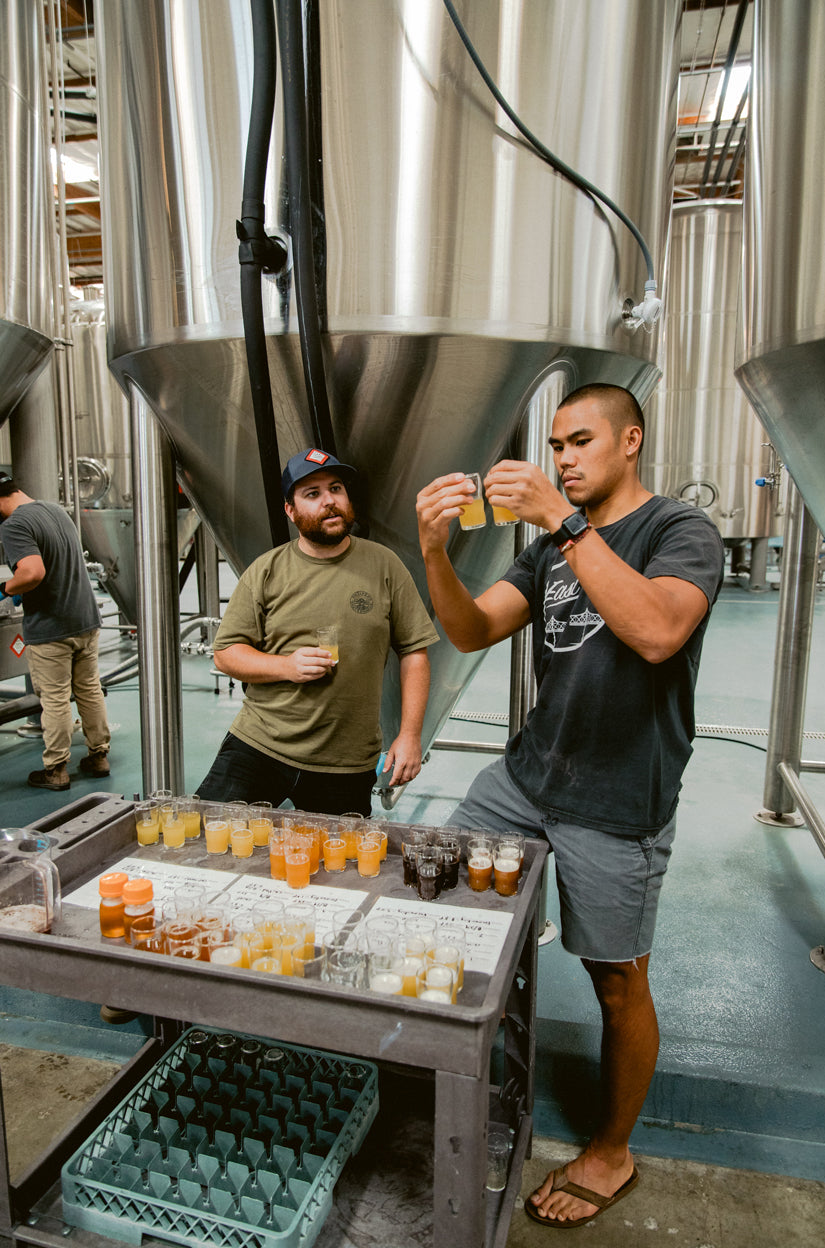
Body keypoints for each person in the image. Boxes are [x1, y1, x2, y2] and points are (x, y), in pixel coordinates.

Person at [416, 383, 724, 1229]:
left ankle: (612, 1150)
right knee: (446, 907)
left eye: (580, 441)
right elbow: (475, 630)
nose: (564, 460)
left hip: (619, 797)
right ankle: (483, 1081)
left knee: (616, 980)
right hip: (526, 779)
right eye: (556, 446)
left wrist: (565, 521)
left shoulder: (677, 532)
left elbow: (659, 631)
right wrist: (435, 552)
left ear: (630, 441)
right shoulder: (552, 545)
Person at [197, 448, 439, 815]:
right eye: (312, 494)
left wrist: (409, 736)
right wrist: (286, 667)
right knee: (207, 839)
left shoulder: (384, 565)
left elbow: (415, 652)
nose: (329, 501)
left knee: (339, 869)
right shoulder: (267, 571)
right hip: (261, 744)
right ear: (290, 511)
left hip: (346, 762)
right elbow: (226, 652)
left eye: (336, 488)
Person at [0, 472, 111, 791]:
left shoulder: (14, 525)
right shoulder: (54, 510)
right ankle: (99, 755)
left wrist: (6, 588)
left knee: (56, 699)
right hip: (85, 619)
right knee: (89, 689)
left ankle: (56, 769)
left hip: (52, 628)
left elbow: (32, 571)